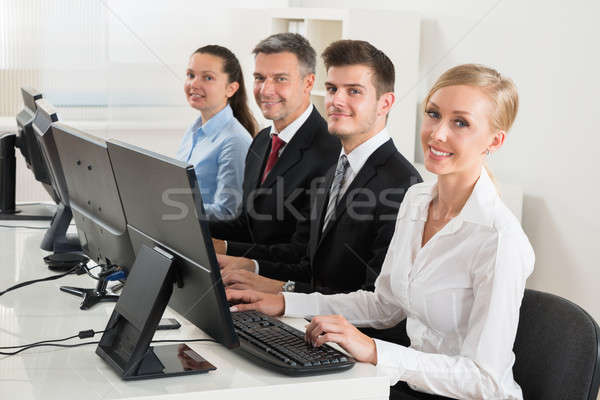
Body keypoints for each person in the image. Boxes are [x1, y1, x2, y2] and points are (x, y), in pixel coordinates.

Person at [227, 64, 534, 400]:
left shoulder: (499, 239)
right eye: (433, 114)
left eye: (460, 122)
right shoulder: (417, 200)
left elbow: (485, 380)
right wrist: (286, 303)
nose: (437, 133)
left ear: (495, 140)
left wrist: (374, 350)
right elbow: (385, 305)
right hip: (412, 385)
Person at [218, 40, 421, 299]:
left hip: (350, 335)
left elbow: (378, 302)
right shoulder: (335, 171)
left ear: (385, 103)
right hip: (311, 322)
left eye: (354, 91)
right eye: (332, 89)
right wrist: (252, 268)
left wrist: (284, 293)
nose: (336, 101)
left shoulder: (404, 184)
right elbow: (308, 264)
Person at [210, 33, 340, 258]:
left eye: (280, 79)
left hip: (278, 284)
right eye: (260, 78)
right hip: (243, 273)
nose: (266, 90)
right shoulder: (261, 141)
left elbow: (301, 252)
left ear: (308, 82)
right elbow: (247, 224)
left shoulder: (330, 153)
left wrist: (226, 248)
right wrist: (191, 226)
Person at [177, 45, 255, 220]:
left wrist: (169, 208)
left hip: (208, 239)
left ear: (231, 89)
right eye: (191, 75)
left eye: (208, 77)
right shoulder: (194, 130)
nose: (194, 84)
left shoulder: (235, 141)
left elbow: (228, 212)